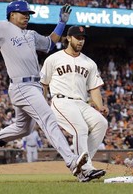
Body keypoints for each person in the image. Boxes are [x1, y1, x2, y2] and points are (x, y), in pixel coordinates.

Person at [0, 0, 88, 176]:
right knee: (47, 118)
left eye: (28, 14)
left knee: (23, 128)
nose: (27, 16)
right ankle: (71, 161)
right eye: (23, 13)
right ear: (12, 15)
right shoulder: (2, 27)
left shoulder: (30, 34)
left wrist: (61, 23)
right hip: (21, 85)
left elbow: (49, 44)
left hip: (34, 86)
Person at [40, 25, 108, 182]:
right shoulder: (53, 59)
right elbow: (43, 84)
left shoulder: (89, 63)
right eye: (78, 37)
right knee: (81, 128)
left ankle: (83, 164)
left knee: (101, 123)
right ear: (69, 38)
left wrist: (100, 106)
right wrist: (42, 106)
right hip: (61, 100)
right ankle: (85, 170)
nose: (81, 41)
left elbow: (94, 89)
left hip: (81, 103)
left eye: (83, 38)